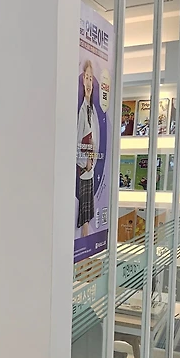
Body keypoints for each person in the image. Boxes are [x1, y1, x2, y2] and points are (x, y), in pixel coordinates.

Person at [76, 60, 100, 237]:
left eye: (91, 78)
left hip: (90, 170)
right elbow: (78, 142)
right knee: (84, 216)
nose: (89, 82)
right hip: (84, 170)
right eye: (86, 77)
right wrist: (86, 163)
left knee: (87, 217)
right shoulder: (82, 110)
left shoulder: (91, 110)